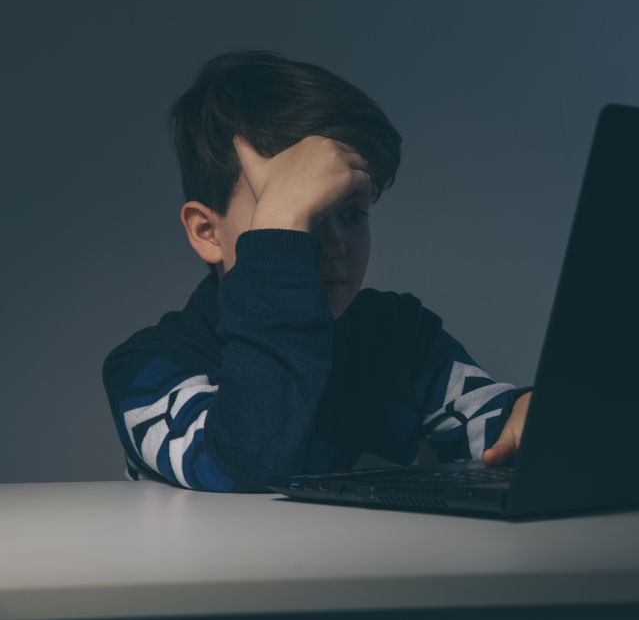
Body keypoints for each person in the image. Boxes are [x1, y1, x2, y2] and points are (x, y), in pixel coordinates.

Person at [102, 50, 532, 492]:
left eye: (352, 214)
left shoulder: (400, 335)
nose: (333, 245)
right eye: (294, 215)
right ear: (207, 232)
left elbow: (498, 429)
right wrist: (280, 239)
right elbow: (244, 469)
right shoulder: (147, 365)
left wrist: (526, 414)